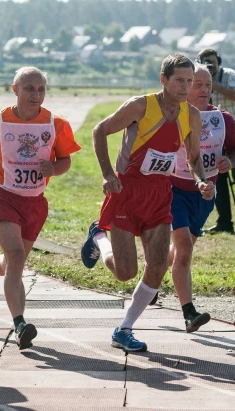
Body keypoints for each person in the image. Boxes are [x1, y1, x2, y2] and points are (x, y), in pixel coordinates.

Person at [80, 54, 213, 352]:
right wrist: (106, 174)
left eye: (189, 81)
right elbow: (99, 130)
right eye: (179, 79)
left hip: (159, 193)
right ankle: (99, 237)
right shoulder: (141, 105)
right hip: (127, 191)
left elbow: (193, 158)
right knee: (125, 272)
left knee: (156, 267)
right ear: (163, 79)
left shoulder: (191, 115)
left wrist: (201, 180)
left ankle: (123, 329)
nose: (185, 86)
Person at [0, 67, 81, 350]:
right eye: (29, 89)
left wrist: (52, 167)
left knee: (13, 262)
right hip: (2, 196)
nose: (36, 94)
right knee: (15, 255)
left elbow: (65, 160)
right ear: (15, 90)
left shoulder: (56, 123)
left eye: (41, 89)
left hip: (34, 202)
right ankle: (20, 324)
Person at [168, 63, 235, 332]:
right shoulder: (172, 115)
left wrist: (229, 160)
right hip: (174, 189)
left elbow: (234, 151)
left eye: (208, 84)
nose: (204, 89)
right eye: (198, 84)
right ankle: (189, 312)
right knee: (184, 248)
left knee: (179, 252)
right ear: (184, 86)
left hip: (205, 193)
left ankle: (152, 276)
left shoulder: (224, 119)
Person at [197, 49, 235, 234]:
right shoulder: (199, 81)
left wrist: (214, 85)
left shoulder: (229, 76)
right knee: (218, 179)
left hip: (232, 130)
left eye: (212, 62)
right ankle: (224, 222)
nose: (210, 66)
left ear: (218, 61)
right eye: (205, 62)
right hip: (215, 137)